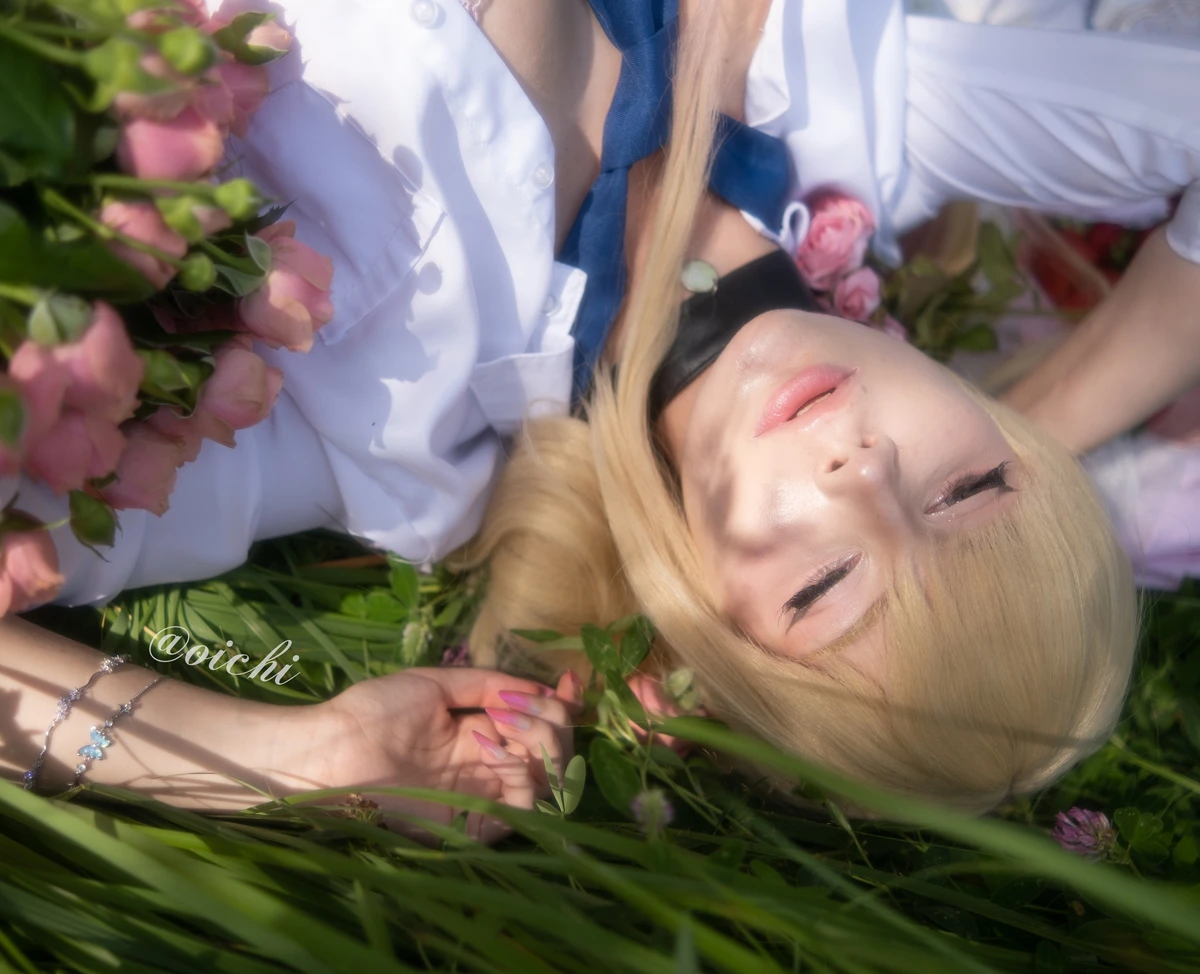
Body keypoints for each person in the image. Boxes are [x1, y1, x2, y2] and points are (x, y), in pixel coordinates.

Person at [2, 0, 1195, 821]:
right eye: (969, 487)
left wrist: (298, 758)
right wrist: (1044, 411)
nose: (864, 469)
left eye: (827, 584)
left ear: (713, 631)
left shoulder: (394, 437)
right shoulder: (861, 110)